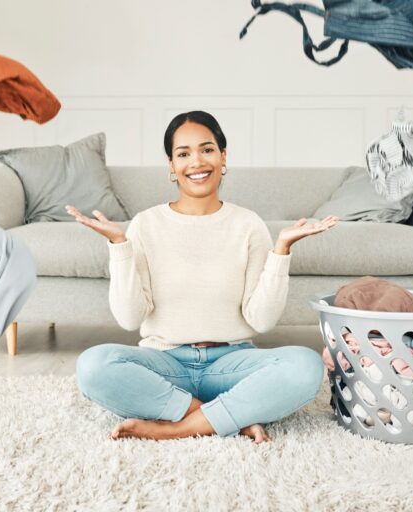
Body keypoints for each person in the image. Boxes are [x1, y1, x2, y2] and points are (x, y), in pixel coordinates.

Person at [67, 111, 338, 443]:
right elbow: (129, 318)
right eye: (183, 154)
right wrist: (119, 246)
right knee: (93, 366)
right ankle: (228, 417)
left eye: (207, 149)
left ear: (223, 157)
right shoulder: (145, 224)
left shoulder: (248, 224)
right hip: (165, 362)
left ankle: (177, 427)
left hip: (232, 363)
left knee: (306, 366)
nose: (196, 161)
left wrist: (281, 250)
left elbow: (262, 320)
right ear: (171, 165)